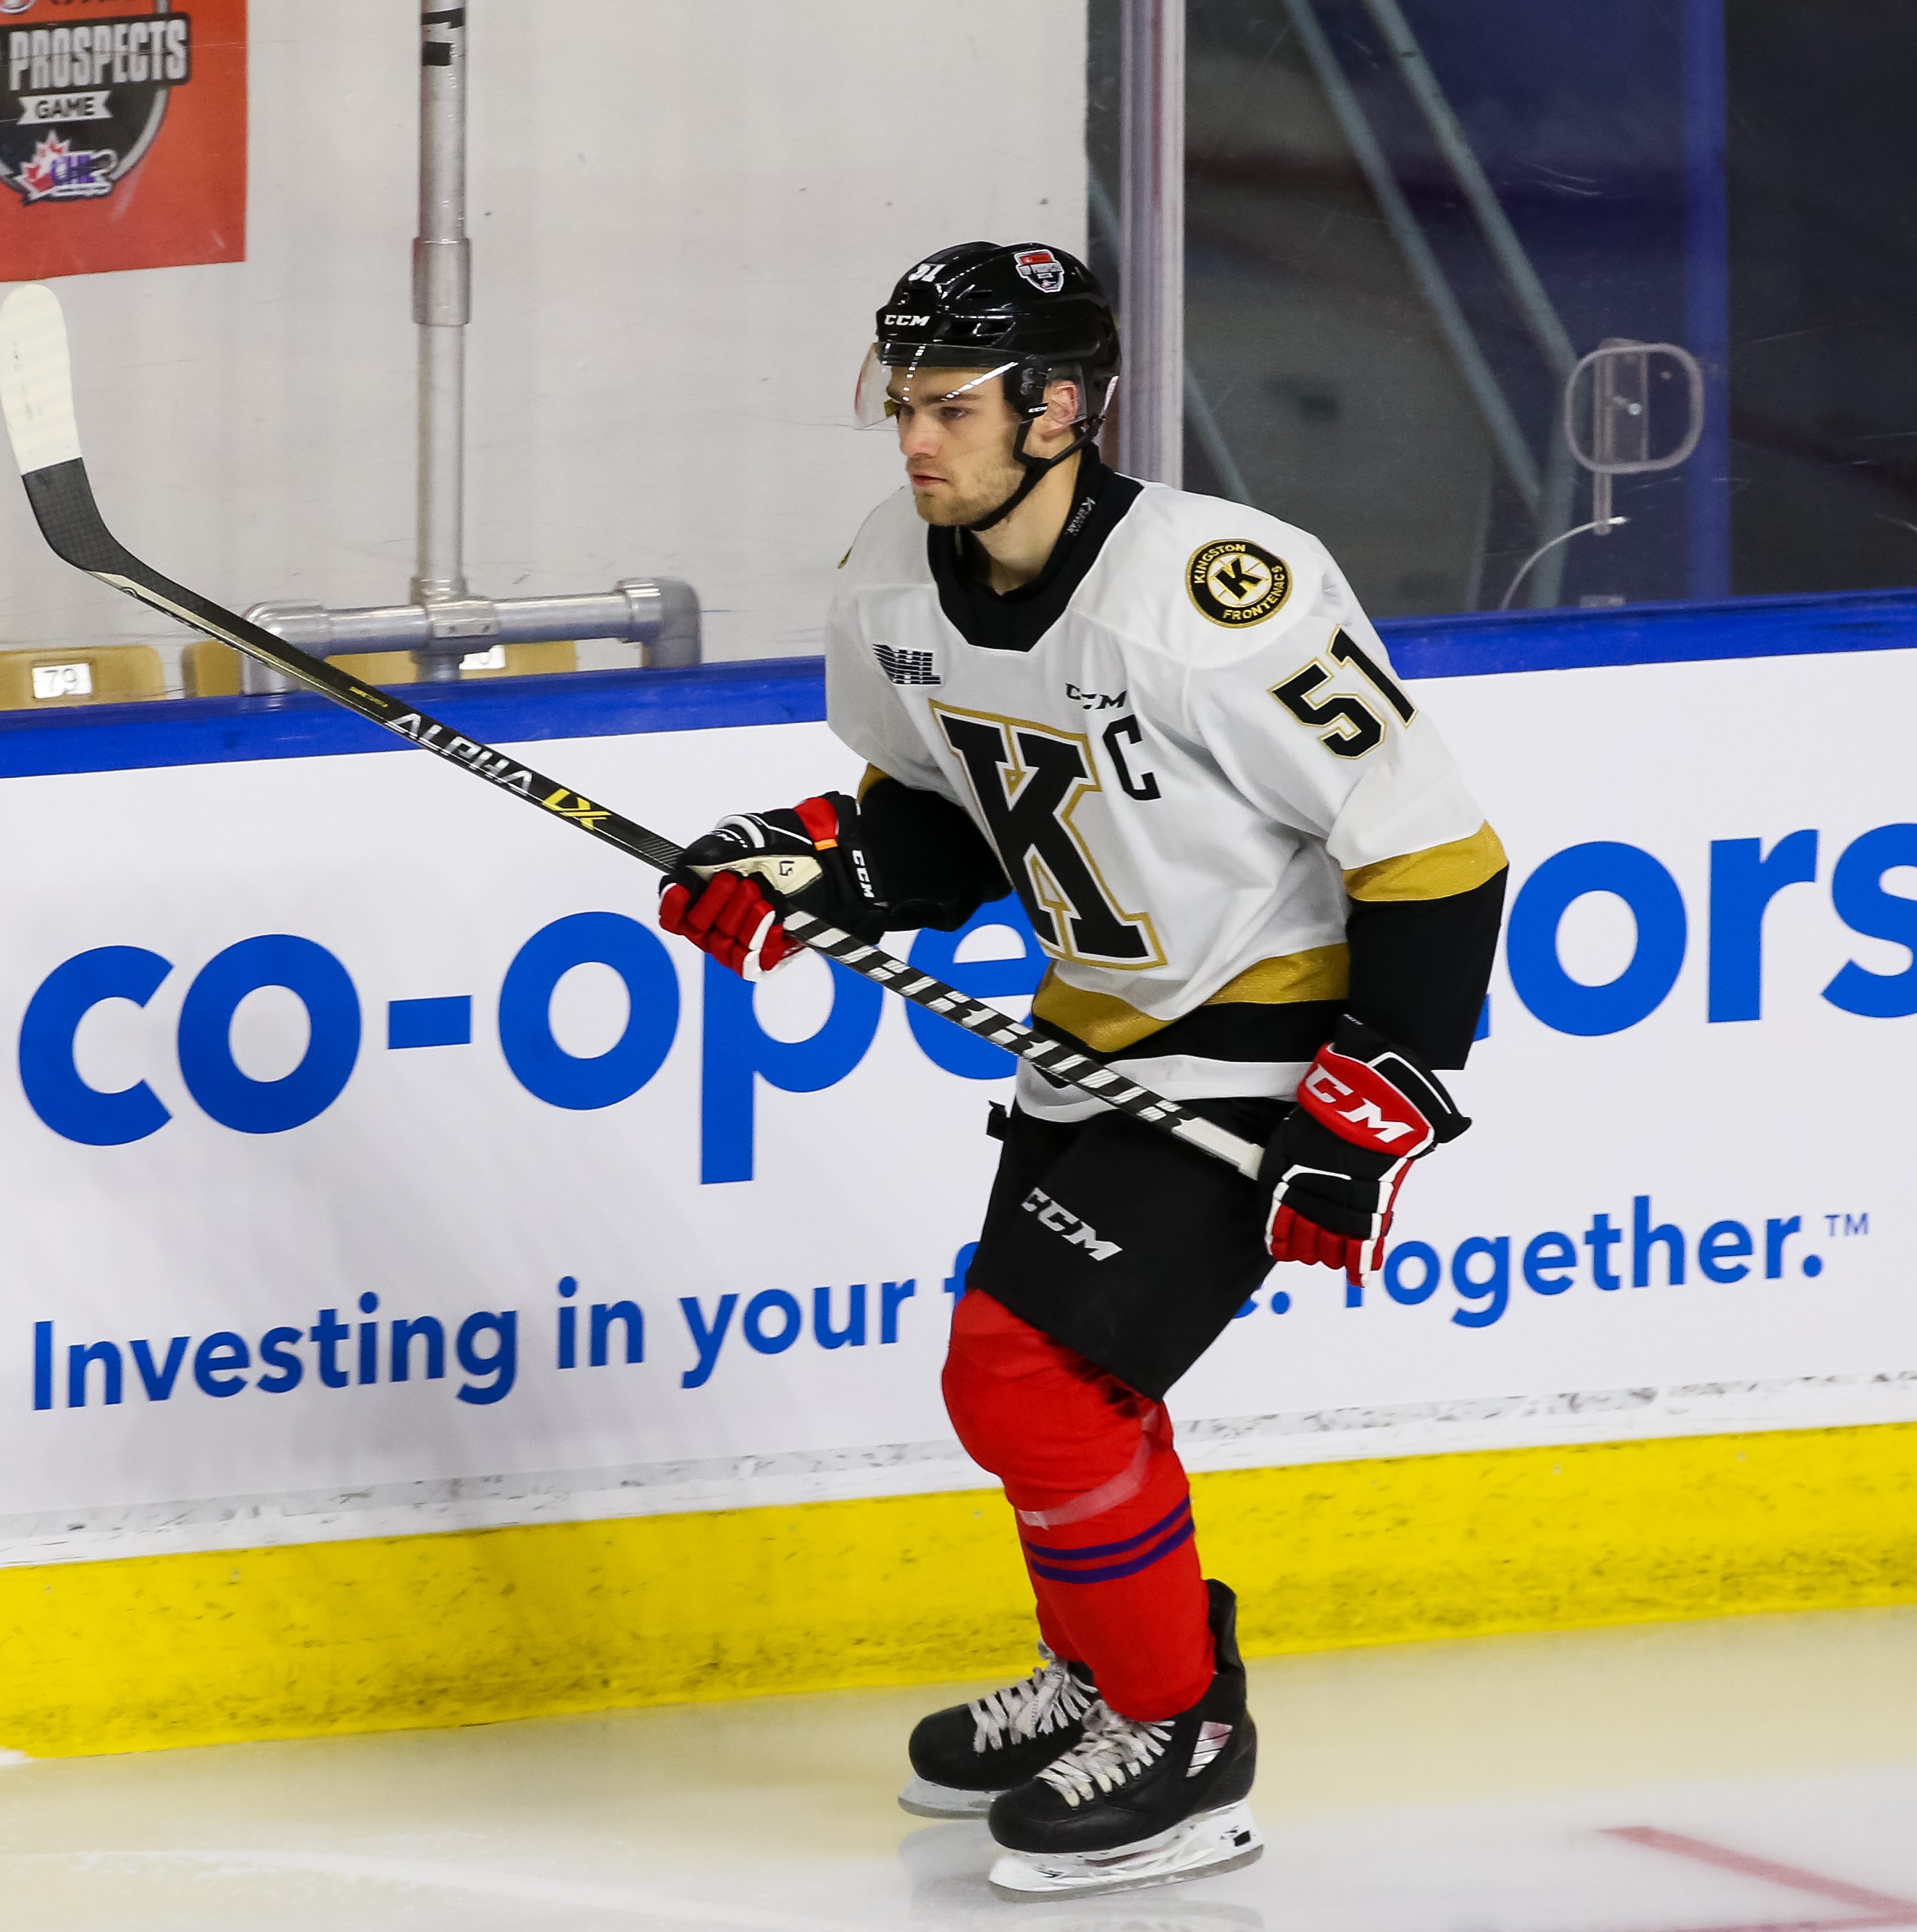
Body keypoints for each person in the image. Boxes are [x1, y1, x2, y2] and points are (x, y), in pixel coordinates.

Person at [656, 241, 1506, 1900]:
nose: (916, 437)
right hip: (1095, 1026)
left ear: (1057, 408)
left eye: (952, 405)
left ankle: (1180, 1734)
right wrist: (809, 864)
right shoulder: (891, 571)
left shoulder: (1212, 594)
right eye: (898, 402)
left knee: (1024, 1377)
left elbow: (1434, 855)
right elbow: (947, 815)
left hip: (1265, 1023)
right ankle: (1111, 1674)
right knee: (1047, 1388)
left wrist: (1379, 1088)